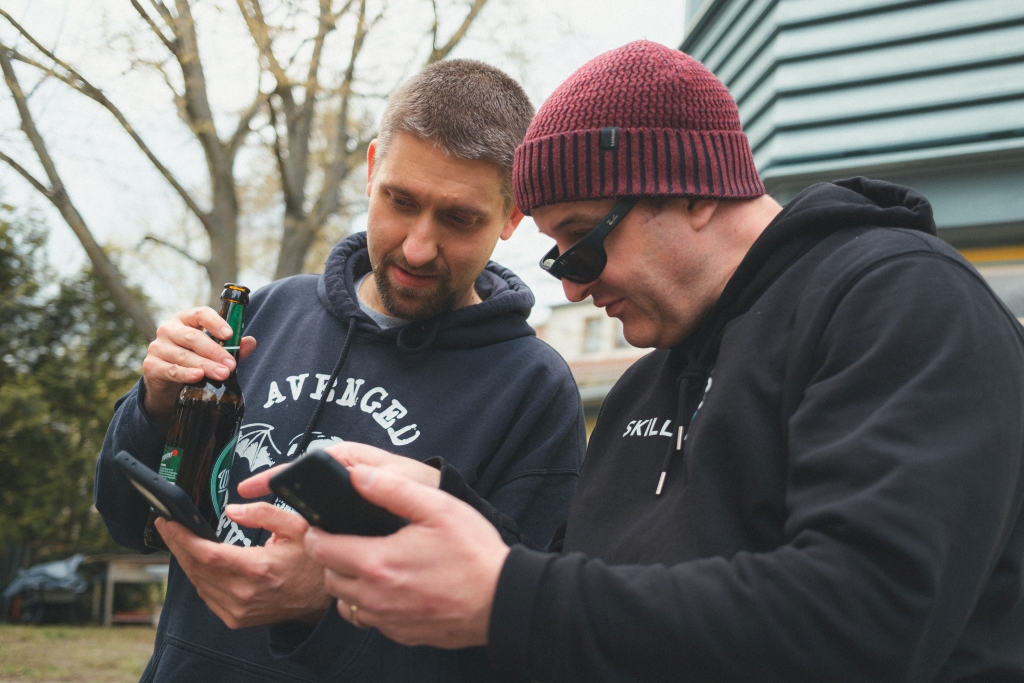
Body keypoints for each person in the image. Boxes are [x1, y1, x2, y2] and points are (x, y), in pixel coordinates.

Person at [286, 41, 1024, 680]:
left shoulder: (900, 300)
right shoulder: (646, 385)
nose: (571, 283)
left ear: (693, 189)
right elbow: (586, 609)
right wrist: (453, 512)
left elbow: (862, 621)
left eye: (580, 239)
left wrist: (507, 594)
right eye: (554, 253)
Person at [93, 59, 585, 683]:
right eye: (400, 201)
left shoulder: (533, 392)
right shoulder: (266, 315)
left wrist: (325, 607)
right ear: (374, 167)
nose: (416, 246)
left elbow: (519, 644)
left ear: (512, 217)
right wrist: (153, 407)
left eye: (458, 218)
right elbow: (123, 520)